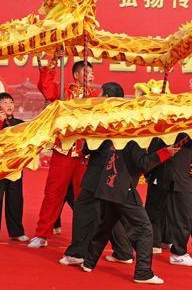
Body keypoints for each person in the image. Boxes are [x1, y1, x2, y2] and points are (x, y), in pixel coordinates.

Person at [81, 85, 181, 284]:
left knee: (105, 226)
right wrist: (164, 153)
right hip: (122, 190)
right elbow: (142, 163)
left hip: (107, 188)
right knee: (144, 229)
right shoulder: (133, 137)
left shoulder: (120, 129)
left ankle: (89, 262)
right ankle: (143, 272)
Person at [29, 48, 101, 249]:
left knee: (84, 195)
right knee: (53, 193)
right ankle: (42, 234)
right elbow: (45, 87)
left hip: (85, 152)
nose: (90, 76)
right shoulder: (64, 92)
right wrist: (53, 63)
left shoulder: (95, 96)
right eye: (86, 73)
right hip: (64, 151)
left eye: (92, 74)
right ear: (76, 74)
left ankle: (85, 236)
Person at [60, 83, 134, 266]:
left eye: (101, 94)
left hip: (100, 168)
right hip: (117, 169)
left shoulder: (104, 116)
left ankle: (78, 252)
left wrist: (85, 146)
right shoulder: (124, 115)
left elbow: (94, 143)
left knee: (84, 208)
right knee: (110, 209)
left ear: (107, 96)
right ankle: (123, 251)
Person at [147, 131, 192, 268]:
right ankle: (178, 254)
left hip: (186, 175)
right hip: (173, 175)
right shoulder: (178, 124)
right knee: (182, 214)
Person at [0, 92, 29, 243]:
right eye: (5, 102)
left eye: (11, 102)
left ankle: (16, 231)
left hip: (14, 169)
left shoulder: (20, 122)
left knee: (15, 201)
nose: (9, 105)